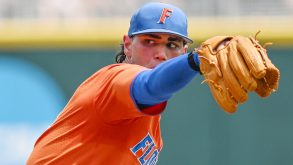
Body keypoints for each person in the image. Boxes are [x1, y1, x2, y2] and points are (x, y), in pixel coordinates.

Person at [27, 2, 202, 165]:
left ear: (182, 52)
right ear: (128, 45)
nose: (161, 54)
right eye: (150, 41)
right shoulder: (115, 81)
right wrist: (195, 61)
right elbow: (150, 87)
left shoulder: (153, 129)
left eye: (172, 45)